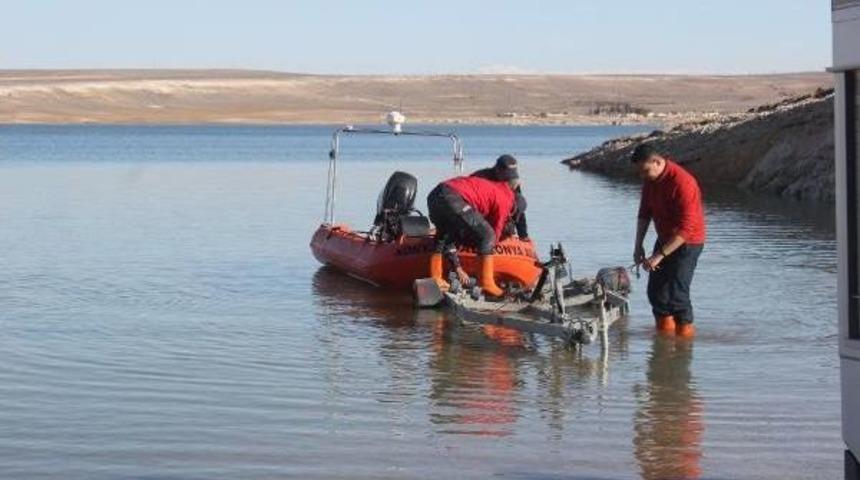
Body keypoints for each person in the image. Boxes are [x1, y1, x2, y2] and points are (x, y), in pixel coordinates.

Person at [631, 144, 706, 338]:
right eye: (639, 172)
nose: (642, 176)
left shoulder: (683, 183)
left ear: (657, 162)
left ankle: (684, 344)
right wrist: (638, 245)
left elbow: (687, 228)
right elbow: (644, 213)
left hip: (688, 243)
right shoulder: (650, 180)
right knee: (656, 293)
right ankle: (664, 341)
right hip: (665, 238)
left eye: (644, 171)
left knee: (677, 295)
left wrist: (658, 256)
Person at [426, 171, 518, 297]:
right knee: (488, 235)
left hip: (435, 195)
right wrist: (489, 248)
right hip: (452, 196)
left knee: (443, 234)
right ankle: (486, 283)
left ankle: (436, 278)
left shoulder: (494, 188)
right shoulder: (506, 200)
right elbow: (494, 233)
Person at [472, 154, 529, 240]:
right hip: (480, 220)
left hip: (502, 222)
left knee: (518, 203)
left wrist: (523, 234)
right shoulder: (480, 178)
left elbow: (519, 210)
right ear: (498, 170)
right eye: (506, 175)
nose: (507, 179)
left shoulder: (512, 183)